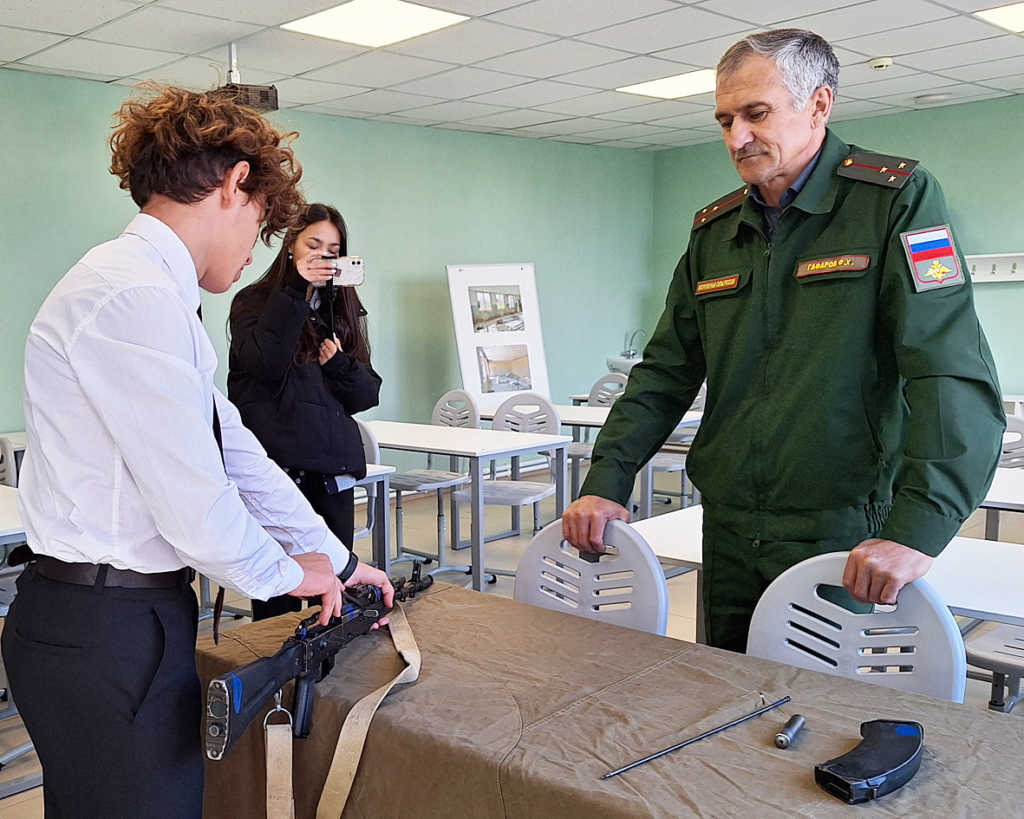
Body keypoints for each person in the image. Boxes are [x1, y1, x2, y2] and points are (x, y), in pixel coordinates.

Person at [2, 86, 393, 817]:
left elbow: (235, 452)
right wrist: (289, 571)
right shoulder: (130, 296)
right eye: (263, 223)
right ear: (234, 182)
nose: (256, 248)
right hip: (105, 630)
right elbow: (198, 510)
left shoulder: (152, 293)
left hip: (114, 621)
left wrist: (336, 558)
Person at [563, 29, 1005, 652]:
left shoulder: (894, 200)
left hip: (845, 527)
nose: (736, 138)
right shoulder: (716, 232)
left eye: (756, 114)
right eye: (725, 120)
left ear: (819, 106)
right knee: (729, 696)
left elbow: (948, 370)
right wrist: (605, 479)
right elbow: (664, 371)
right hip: (731, 524)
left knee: (826, 719)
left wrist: (917, 529)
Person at [228, 203, 382, 620]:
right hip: (279, 473)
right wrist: (296, 290)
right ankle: (276, 683)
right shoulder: (254, 302)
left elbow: (367, 392)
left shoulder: (344, 307)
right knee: (281, 600)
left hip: (332, 473)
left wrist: (338, 365)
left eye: (332, 250)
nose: (322, 258)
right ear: (290, 248)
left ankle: (327, 676)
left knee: (333, 592)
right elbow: (264, 368)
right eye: (313, 246)